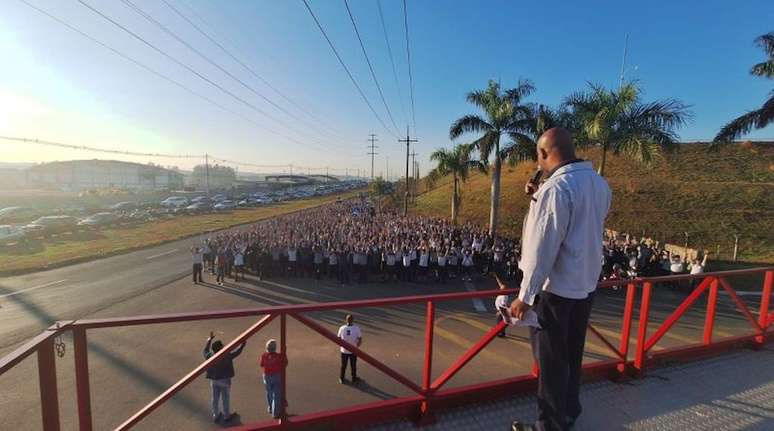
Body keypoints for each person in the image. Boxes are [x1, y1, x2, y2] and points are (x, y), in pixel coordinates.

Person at [509, 128, 611, 431]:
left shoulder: (556, 189)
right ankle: (569, 412)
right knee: (571, 354)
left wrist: (525, 297)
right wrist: (535, 199)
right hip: (584, 287)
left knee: (551, 363)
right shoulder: (599, 184)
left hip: (555, 292)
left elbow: (543, 250)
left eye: (538, 157)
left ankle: (549, 426)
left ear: (544, 153)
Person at [203, 331, 246, 423]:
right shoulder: (226, 355)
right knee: (225, 398)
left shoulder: (210, 356)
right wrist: (242, 345)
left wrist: (209, 340)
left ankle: (216, 415)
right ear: (221, 348)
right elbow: (237, 352)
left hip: (214, 380)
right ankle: (227, 415)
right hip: (225, 380)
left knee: (215, 398)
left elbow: (205, 350)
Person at [259, 339, 287, 419]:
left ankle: (271, 407)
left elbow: (261, 364)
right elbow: (285, 363)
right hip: (276, 376)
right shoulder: (279, 356)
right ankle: (275, 412)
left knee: (269, 392)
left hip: (267, 376)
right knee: (276, 395)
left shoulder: (264, 355)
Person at [337, 314, 362, 384]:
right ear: (353, 320)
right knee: (353, 365)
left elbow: (338, 338)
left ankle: (342, 378)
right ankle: (354, 378)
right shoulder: (357, 328)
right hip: (353, 350)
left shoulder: (342, 328)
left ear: (346, 320)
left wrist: (341, 345)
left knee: (343, 365)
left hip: (344, 351)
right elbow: (360, 338)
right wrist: (357, 346)